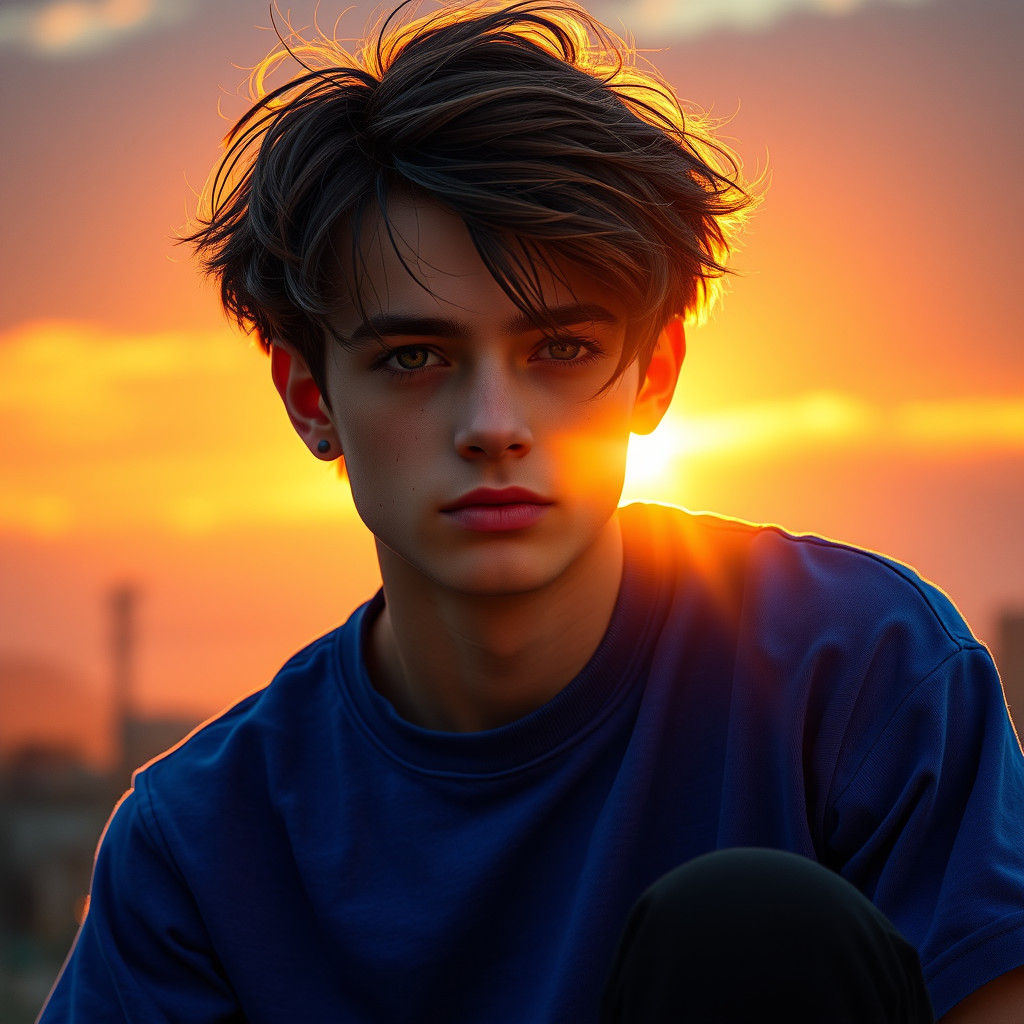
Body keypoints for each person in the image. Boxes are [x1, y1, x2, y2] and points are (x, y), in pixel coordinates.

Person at [39, 1, 1024, 1021]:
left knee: (747, 923)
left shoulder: (860, 670)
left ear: (654, 374)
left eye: (560, 350)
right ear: (310, 399)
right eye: (413, 358)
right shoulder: (199, 843)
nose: (494, 424)